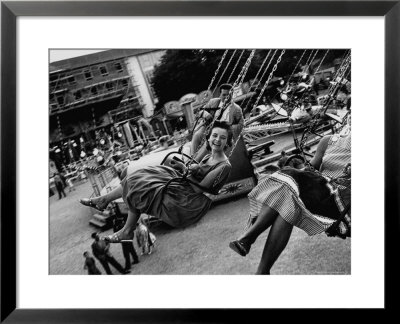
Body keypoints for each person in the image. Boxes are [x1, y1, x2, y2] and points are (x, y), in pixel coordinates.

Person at [229, 118, 351, 274]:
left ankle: (249, 238)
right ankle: (261, 272)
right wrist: (296, 164)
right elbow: (311, 170)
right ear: (348, 119)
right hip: (322, 193)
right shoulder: (328, 141)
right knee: (287, 203)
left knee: (287, 187)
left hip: (344, 204)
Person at [80, 121, 233, 243]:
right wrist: (185, 166)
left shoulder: (223, 166)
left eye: (222, 137)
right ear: (209, 137)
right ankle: (105, 201)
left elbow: (201, 188)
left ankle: (125, 228)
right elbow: (197, 167)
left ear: (228, 142)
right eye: (214, 135)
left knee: (142, 186)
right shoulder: (209, 155)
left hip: (189, 197)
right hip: (184, 183)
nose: (217, 140)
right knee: (139, 176)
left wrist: (184, 169)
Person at [191, 83, 244, 162]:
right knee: (197, 135)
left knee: (209, 142)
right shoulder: (213, 102)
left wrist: (228, 127)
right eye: (224, 95)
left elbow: (241, 125)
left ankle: (196, 161)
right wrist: (205, 114)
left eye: (229, 95)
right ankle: (191, 158)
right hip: (208, 127)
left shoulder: (236, 109)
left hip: (222, 132)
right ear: (220, 94)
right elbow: (200, 112)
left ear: (232, 94)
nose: (226, 97)